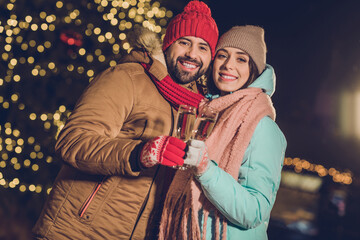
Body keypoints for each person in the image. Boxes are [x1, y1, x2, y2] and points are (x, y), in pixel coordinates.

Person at [32, 1, 218, 239]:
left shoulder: (196, 106)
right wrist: (138, 153)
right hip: (77, 231)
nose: (193, 54)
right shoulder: (126, 78)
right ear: (168, 44)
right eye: (184, 43)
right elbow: (72, 141)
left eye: (203, 47)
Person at [158, 25, 287, 239]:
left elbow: (255, 211)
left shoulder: (263, 126)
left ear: (254, 69)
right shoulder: (210, 112)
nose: (228, 65)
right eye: (222, 56)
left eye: (241, 59)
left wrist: (206, 169)